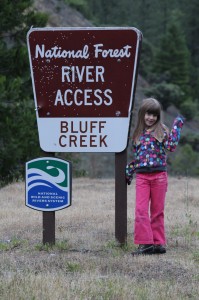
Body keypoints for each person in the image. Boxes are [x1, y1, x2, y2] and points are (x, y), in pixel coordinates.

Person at [126, 98, 184, 256]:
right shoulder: (137, 134)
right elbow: (138, 158)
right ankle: (145, 244)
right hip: (143, 178)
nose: (151, 118)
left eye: (154, 115)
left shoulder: (162, 131)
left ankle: (158, 243)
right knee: (141, 210)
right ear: (142, 114)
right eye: (148, 114)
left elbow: (171, 146)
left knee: (158, 211)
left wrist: (177, 125)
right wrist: (129, 171)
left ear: (158, 117)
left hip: (159, 176)